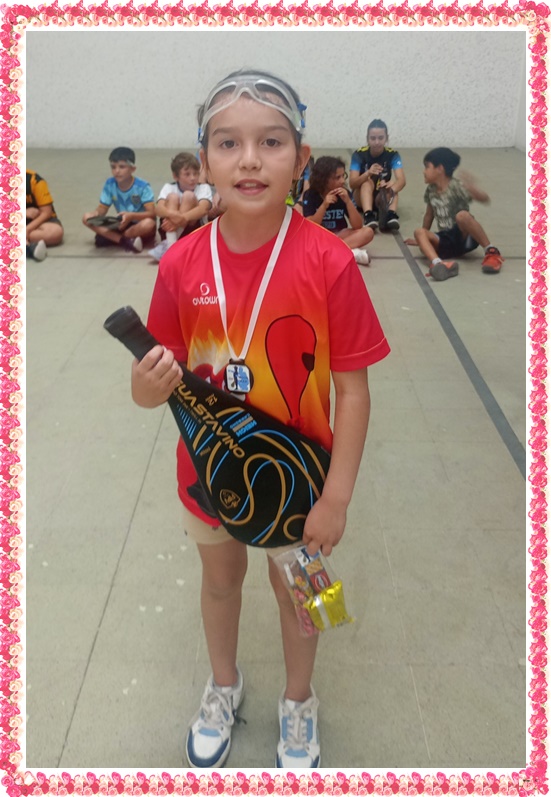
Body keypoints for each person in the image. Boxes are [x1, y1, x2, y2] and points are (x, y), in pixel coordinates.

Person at [130, 69, 390, 769]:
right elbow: (155, 388)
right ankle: (223, 685)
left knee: (306, 594)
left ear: (300, 159)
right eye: (228, 143)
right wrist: (146, 387)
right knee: (219, 582)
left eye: (271, 142)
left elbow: (354, 393)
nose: (249, 159)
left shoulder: (330, 262)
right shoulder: (181, 264)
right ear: (204, 161)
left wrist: (336, 497)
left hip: (302, 487)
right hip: (207, 477)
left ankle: (299, 699)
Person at [404, 147, 504, 281]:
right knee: (419, 232)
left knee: (462, 216)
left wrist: (473, 189)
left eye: (427, 167)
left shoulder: (456, 186)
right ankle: (439, 265)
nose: (424, 171)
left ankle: (491, 252)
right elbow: (429, 214)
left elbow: (485, 199)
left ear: (440, 169)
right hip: (446, 240)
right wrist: (422, 240)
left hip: (463, 237)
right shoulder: (431, 190)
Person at [82, 146, 156, 253]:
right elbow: (103, 208)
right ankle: (124, 241)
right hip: (121, 224)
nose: (117, 171)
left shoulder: (143, 186)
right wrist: (96, 213)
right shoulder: (109, 184)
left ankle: (117, 238)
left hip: (138, 223)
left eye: (122, 167)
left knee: (149, 224)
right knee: (86, 218)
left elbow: (152, 214)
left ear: (132, 169)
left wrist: (131, 216)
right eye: (113, 167)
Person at [302, 156, 374, 266]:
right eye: (337, 177)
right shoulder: (311, 195)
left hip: (339, 235)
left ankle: (330, 252)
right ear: (324, 179)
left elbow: (358, 225)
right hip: (318, 238)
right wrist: (324, 205)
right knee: (303, 241)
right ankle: (347, 252)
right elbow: (310, 225)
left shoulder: (344, 194)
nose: (342, 181)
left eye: (343, 176)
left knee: (368, 232)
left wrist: (348, 202)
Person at [148, 152, 214, 262]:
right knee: (172, 197)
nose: (193, 178)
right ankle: (171, 245)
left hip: (193, 230)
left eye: (196, 173)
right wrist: (173, 215)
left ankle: (169, 247)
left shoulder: (203, 188)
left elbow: (203, 209)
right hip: (168, 230)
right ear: (175, 176)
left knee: (188, 196)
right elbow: (158, 209)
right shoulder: (168, 187)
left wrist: (182, 218)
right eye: (187, 174)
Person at [349, 119, 406, 231]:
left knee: (393, 186)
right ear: (367, 139)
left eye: (380, 138)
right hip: (361, 198)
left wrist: (391, 188)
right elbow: (352, 183)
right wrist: (367, 173)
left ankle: (391, 214)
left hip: (380, 197)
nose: (376, 142)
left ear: (386, 138)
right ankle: (368, 215)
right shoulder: (359, 154)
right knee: (367, 182)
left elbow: (402, 180)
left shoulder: (392, 155)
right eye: (373, 138)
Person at [26, 169, 64, 261]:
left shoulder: (34, 180)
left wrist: (26, 230)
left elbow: (46, 213)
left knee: (55, 232)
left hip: (37, 222)